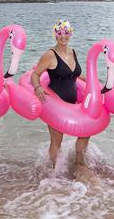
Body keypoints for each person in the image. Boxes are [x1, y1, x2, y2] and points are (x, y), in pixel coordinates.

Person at [31, 20, 88, 167]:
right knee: (57, 141)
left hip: (73, 103)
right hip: (55, 105)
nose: (63, 36)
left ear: (71, 34)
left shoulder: (72, 52)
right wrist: (38, 88)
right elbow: (35, 74)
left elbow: (71, 75)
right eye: (60, 33)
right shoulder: (50, 55)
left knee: (85, 131)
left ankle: (79, 163)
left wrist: (87, 80)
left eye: (66, 33)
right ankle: (54, 173)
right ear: (55, 35)